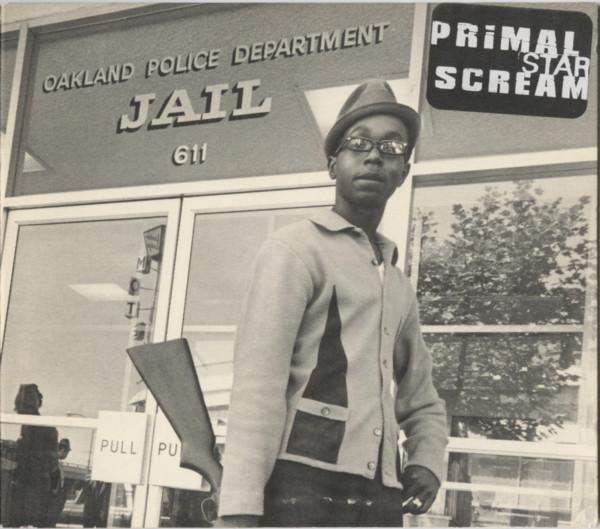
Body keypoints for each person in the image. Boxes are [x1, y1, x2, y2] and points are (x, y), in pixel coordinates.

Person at [217, 79, 448, 527]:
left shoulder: (398, 284)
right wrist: (240, 508)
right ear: (332, 165)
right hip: (299, 488)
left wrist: (428, 458)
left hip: (381, 499)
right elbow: (257, 388)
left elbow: (422, 398)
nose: (375, 155)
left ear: (403, 171)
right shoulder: (295, 249)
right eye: (357, 143)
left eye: (392, 146)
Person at [10, 383, 59, 527]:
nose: (19, 413)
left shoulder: (45, 429)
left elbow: (51, 464)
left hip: (33, 489)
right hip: (25, 487)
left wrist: (18, 460)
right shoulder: (26, 426)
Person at [46, 438, 71, 527]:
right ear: (63, 450)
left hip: (53, 504)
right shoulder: (54, 464)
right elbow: (53, 488)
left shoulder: (56, 463)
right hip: (51, 504)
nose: (66, 455)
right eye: (67, 452)